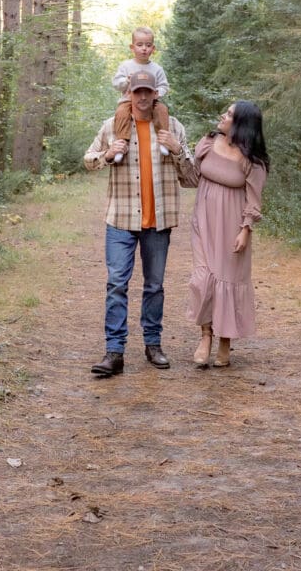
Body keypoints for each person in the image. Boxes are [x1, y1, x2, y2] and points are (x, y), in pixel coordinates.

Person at [84, 70, 195, 377]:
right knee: (117, 283)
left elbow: (192, 177)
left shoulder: (172, 127)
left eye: (148, 92)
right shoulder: (113, 126)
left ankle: (153, 344)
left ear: (155, 94)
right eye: (137, 92)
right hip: (120, 218)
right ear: (129, 94)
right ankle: (114, 352)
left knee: (155, 285)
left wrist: (177, 150)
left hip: (158, 221)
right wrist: (108, 154)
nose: (143, 98)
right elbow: (88, 159)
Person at [187, 101, 269, 369]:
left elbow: (254, 201)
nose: (223, 116)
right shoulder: (209, 143)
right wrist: (177, 153)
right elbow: (190, 177)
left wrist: (246, 230)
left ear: (241, 124)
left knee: (229, 281)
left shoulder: (252, 160)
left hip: (232, 225)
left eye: (230, 114)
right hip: (203, 220)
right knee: (203, 279)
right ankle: (206, 336)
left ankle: (225, 340)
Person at [111, 26, 170, 162]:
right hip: (128, 100)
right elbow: (116, 83)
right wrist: (126, 80)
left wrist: (157, 93)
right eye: (140, 45)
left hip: (151, 101)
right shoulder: (126, 66)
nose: (144, 48)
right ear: (132, 47)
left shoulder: (157, 69)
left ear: (153, 49)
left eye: (148, 45)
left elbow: (164, 86)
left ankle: (163, 140)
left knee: (162, 109)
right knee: (121, 112)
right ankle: (122, 143)